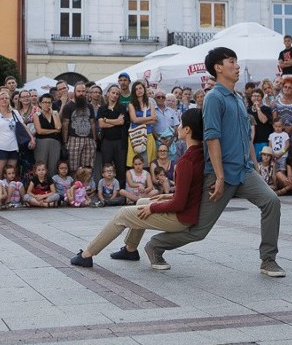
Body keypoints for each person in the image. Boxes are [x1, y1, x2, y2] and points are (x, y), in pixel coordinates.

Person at [148, 47, 284, 276]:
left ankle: (268, 260)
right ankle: (156, 245)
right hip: (220, 173)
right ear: (219, 68)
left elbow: (245, 137)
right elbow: (212, 138)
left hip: (244, 170)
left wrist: (255, 166)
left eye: (237, 61)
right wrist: (219, 177)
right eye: (232, 61)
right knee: (199, 231)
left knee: (271, 201)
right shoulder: (213, 98)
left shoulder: (239, 98)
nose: (237, 66)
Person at [71, 107, 206, 268]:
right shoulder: (199, 154)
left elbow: (179, 204)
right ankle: (130, 249)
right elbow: (190, 192)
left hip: (181, 218)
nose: (177, 127)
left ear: (188, 130)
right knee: (142, 202)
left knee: (122, 214)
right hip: (187, 213)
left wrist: (154, 207)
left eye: (180, 123)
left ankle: (86, 255)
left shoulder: (186, 161)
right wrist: (166, 196)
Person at [61, 83, 97, 172]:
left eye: (83, 91)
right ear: (74, 92)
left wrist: (94, 139)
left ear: (86, 92)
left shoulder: (90, 106)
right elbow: (65, 124)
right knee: (73, 167)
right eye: (79, 91)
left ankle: (85, 186)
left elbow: (92, 123)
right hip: (74, 139)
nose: (81, 93)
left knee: (88, 167)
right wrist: (65, 141)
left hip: (89, 139)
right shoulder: (68, 106)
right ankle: (74, 185)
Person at [97, 85, 127, 185]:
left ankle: (121, 190)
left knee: (121, 167)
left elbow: (121, 122)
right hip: (106, 141)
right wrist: (115, 121)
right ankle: (106, 189)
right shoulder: (102, 109)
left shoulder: (122, 107)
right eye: (113, 93)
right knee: (106, 166)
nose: (115, 95)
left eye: (117, 94)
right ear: (108, 93)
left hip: (120, 141)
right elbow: (101, 124)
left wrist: (107, 120)